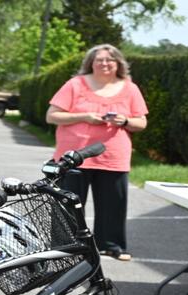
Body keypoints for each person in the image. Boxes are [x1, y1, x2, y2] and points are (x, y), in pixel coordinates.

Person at [46, 44, 147, 260]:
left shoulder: (130, 88)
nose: (104, 63)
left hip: (113, 157)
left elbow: (141, 122)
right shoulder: (75, 84)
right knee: (68, 205)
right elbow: (52, 115)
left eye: (110, 60)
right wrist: (84, 116)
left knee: (113, 205)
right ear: (90, 63)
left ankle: (111, 245)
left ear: (118, 64)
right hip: (74, 156)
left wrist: (125, 120)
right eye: (99, 59)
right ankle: (65, 247)